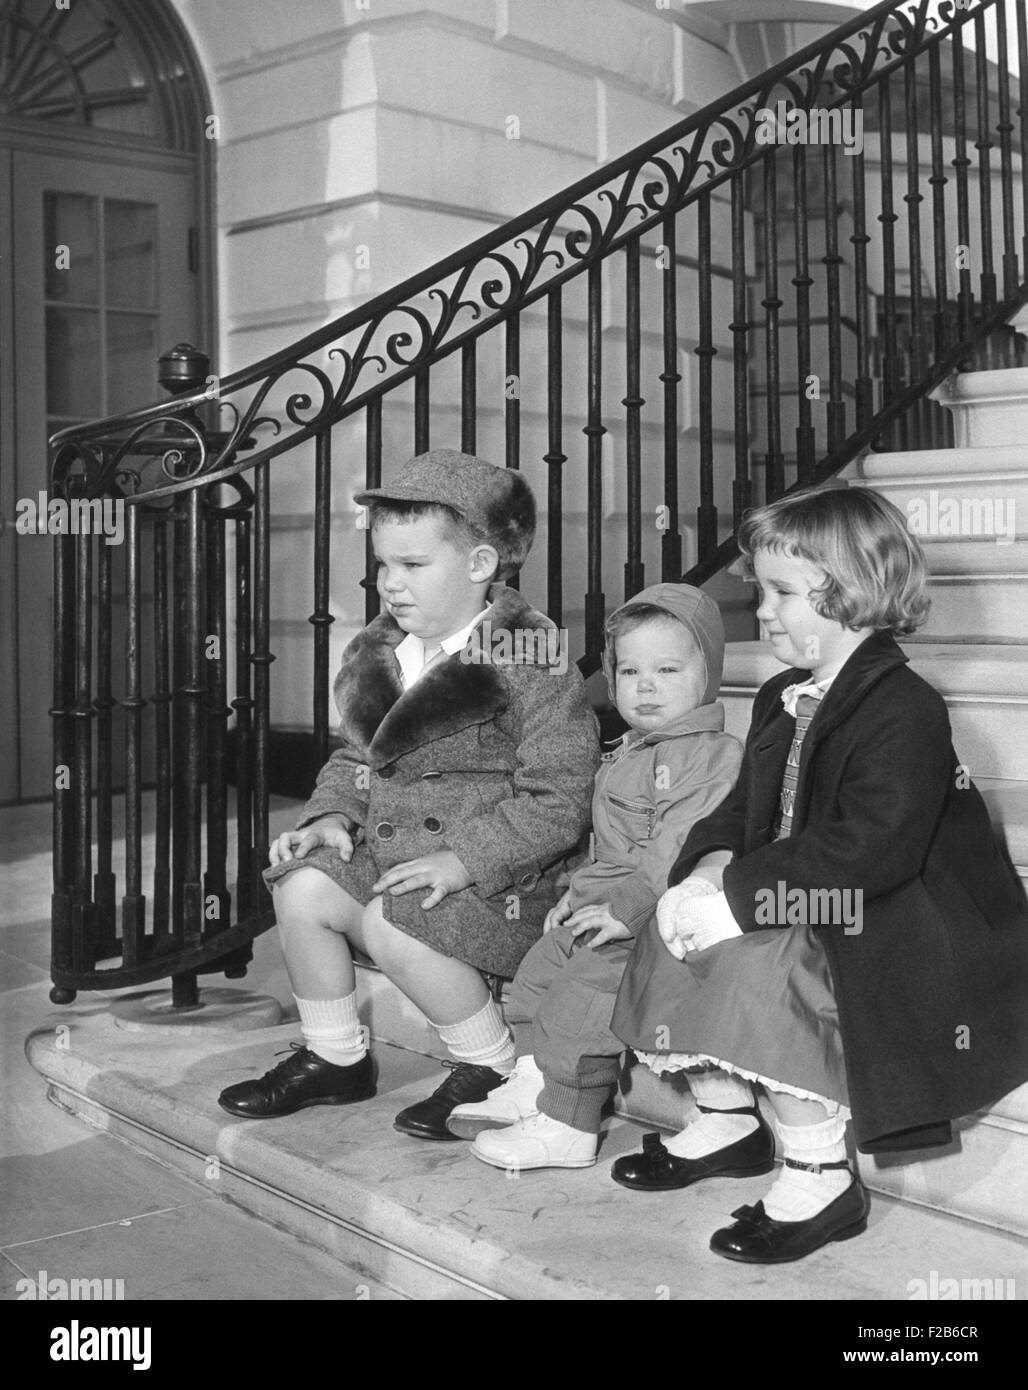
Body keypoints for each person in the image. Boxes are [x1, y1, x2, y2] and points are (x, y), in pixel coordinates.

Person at [610, 484, 1028, 1264]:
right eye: (759, 591)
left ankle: (821, 1172)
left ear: (855, 595)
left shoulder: (905, 707)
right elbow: (742, 809)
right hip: (810, 882)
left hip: (903, 908)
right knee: (671, 930)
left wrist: (741, 901)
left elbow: (874, 848)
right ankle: (729, 1119)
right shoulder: (778, 693)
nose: (762, 611)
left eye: (782, 593)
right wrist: (705, 871)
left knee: (768, 966)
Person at [218, 449, 599, 1138]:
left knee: (397, 915)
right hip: (396, 857)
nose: (391, 584)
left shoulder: (531, 657)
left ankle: (493, 1064)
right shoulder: (377, 651)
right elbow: (352, 757)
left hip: (497, 878)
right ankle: (336, 1057)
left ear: (481, 565)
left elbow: (559, 798)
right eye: (384, 566)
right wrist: (332, 815)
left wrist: (461, 861)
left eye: (413, 566)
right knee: (299, 884)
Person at [446, 584, 743, 1172]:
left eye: (668, 668)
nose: (645, 685)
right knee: (535, 978)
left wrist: (623, 908)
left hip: (650, 916)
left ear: (707, 674)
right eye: (629, 670)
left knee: (583, 1000)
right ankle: (532, 1084)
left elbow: (676, 848)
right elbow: (606, 846)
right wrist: (574, 893)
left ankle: (570, 1122)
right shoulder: (630, 749)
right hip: (601, 905)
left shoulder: (708, 755)